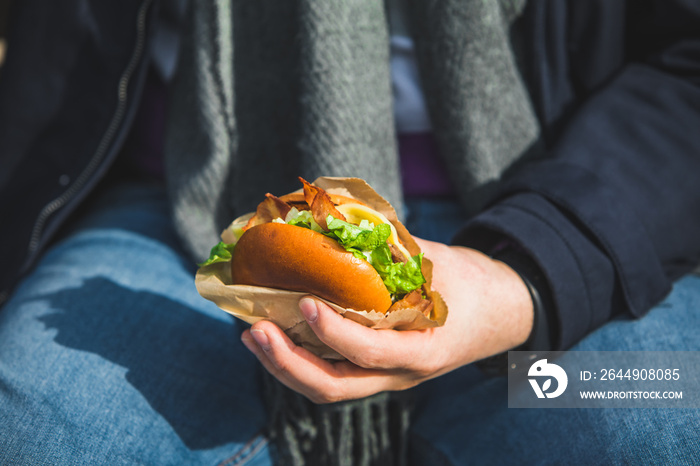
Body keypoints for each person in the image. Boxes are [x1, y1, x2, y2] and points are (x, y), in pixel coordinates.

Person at [1, 0, 699, 464]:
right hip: (190, 206)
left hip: (570, 207)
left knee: (661, 416)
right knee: (46, 432)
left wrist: (533, 273)